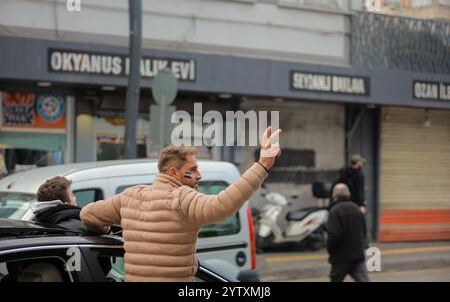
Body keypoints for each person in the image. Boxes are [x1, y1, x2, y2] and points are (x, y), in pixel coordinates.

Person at [80, 126, 282, 282]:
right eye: (193, 170)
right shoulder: (181, 198)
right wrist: (262, 165)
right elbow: (223, 205)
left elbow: (88, 214)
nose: (199, 175)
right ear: (174, 173)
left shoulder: (130, 196)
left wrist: (106, 230)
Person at [327, 183, 369, 282]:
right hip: (357, 255)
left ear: (334, 195)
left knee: (336, 280)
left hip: (340, 257)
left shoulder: (335, 211)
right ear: (349, 194)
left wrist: (330, 249)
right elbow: (364, 230)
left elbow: (334, 235)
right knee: (363, 279)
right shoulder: (356, 209)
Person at [30, 176, 94, 235]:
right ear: (65, 204)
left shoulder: (33, 227)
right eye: (72, 195)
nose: (75, 198)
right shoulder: (80, 229)